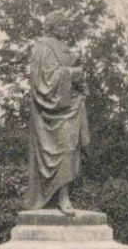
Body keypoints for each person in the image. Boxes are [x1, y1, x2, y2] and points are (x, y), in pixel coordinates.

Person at [24, 12, 89, 214]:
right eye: (62, 25)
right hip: (51, 112)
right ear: (52, 26)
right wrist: (73, 73)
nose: (66, 28)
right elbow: (44, 81)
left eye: (67, 25)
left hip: (71, 107)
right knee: (61, 149)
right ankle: (59, 198)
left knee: (70, 148)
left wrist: (79, 80)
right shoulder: (43, 47)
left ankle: (63, 196)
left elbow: (72, 75)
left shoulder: (64, 48)